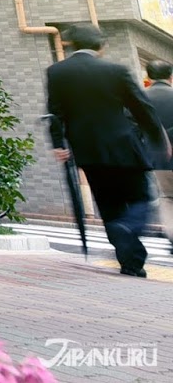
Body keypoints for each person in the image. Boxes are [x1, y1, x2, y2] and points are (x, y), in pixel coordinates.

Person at [45, 24, 171, 276]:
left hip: (88, 152)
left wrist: (59, 144)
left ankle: (131, 263)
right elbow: (141, 107)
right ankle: (130, 227)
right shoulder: (116, 70)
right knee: (141, 199)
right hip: (124, 147)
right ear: (100, 46)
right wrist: (159, 139)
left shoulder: (57, 72)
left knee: (109, 206)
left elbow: (54, 113)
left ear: (72, 45)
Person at [142, 59, 173, 251]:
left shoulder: (141, 98)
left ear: (148, 76)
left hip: (159, 158)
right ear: (171, 76)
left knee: (168, 198)